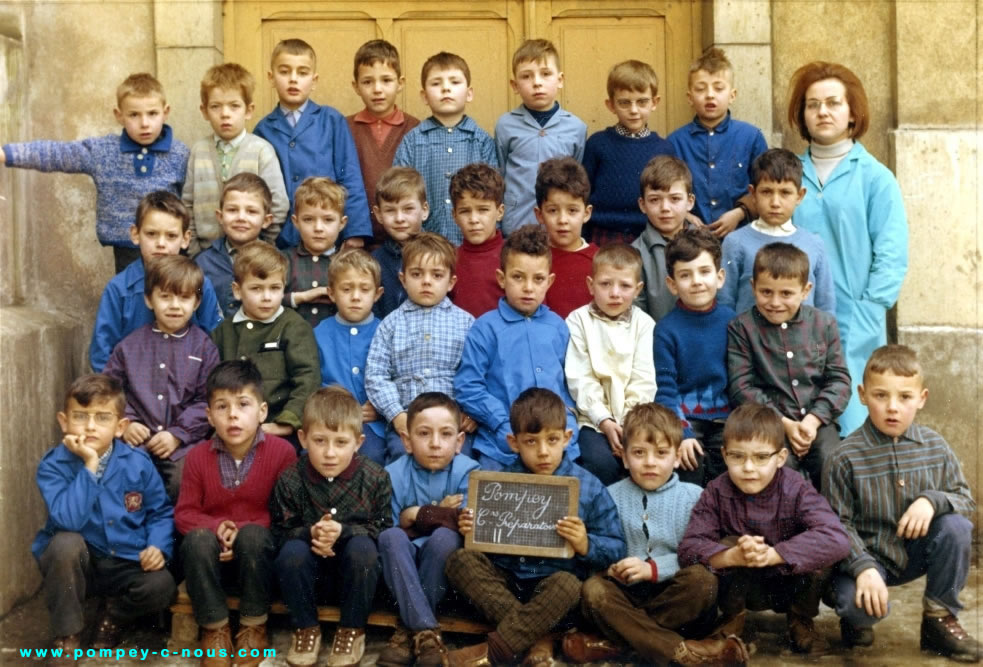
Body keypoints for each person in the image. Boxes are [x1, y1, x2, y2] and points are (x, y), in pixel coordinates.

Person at [444, 388, 626, 667]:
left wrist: (586, 544)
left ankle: (495, 650)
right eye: (531, 441)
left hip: (553, 590)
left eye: (552, 440)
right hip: (505, 584)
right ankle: (538, 639)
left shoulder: (588, 486)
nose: (543, 452)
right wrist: (469, 525)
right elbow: (473, 524)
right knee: (460, 561)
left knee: (568, 585)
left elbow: (617, 546)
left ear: (567, 438)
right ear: (514, 443)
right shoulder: (497, 483)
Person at [823, 345, 979, 661]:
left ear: (921, 398)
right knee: (859, 609)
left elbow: (965, 501)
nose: (893, 407)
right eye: (881, 396)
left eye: (905, 397)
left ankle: (938, 619)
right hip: (861, 564)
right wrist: (862, 567)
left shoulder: (935, 446)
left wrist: (932, 501)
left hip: (912, 555)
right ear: (863, 395)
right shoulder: (844, 457)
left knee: (956, 526)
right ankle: (856, 619)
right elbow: (837, 524)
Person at [786, 61, 908, 435]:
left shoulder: (875, 177)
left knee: (854, 422)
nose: (822, 111)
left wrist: (871, 309)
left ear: (852, 112)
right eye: (812, 104)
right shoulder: (789, 174)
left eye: (833, 103)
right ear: (802, 115)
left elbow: (892, 253)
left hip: (857, 321)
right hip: (794, 317)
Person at [575, 402, 746, 665]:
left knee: (703, 581)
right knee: (594, 590)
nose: (650, 462)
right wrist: (610, 570)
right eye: (639, 453)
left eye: (661, 453)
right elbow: (600, 549)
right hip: (626, 595)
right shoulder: (608, 496)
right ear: (623, 455)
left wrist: (653, 569)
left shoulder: (694, 498)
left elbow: (700, 554)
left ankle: (621, 642)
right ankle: (683, 653)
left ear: (677, 457)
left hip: (675, 597)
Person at [678, 403, 851, 656]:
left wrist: (775, 554)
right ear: (725, 455)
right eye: (738, 456)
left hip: (789, 584)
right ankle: (733, 620)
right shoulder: (716, 491)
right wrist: (731, 556)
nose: (749, 468)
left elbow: (837, 538)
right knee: (728, 543)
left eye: (761, 457)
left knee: (818, 547)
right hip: (742, 587)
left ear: (781, 458)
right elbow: (688, 548)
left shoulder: (795, 488)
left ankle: (801, 621)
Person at [33, 375, 175, 665]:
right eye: (80, 417)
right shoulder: (53, 465)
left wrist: (157, 546)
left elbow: (159, 512)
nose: (90, 426)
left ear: (121, 426)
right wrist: (89, 464)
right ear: (64, 422)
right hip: (82, 565)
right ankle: (68, 632)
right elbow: (69, 519)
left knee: (162, 586)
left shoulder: (137, 463)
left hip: (125, 560)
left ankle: (112, 617)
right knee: (64, 544)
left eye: (102, 417)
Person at [174, 360, 296, 667]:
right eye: (222, 407)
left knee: (255, 536)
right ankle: (214, 629)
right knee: (197, 540)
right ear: (209, 416)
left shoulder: (283, 453)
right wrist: (217, 528)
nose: (233, 415)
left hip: (258, 559)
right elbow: (185, 512)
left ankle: (253, 625)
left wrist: (240, 530)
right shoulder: (198, 457)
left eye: (243, 404)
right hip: (212, 563)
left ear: (262, 412)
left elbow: (284, 514)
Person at [2, 73, 189, 272]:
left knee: (171, 295)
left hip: (170, 246)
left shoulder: (180, 153)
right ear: (119, 115)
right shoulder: (103, 151)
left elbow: (191, 199)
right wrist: (7, 154)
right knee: (131, 296)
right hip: (127, 247)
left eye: (152, 113)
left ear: (165, 112)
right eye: (134, 115)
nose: (144, 123)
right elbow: (57, 154)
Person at [270, 386, 392, 667]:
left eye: (340, 442)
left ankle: (352, 630)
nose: (329, 453)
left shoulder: (375, 478)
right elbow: (278, 530)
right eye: (320, 441)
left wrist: (344, 532)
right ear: (302, 438)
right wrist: (310, 532)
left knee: (364, 547)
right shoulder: (290, 479)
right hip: (307, 580)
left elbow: (383, 527)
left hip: (355, 581)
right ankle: (305, 628)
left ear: (358, 442)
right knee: (291, 551)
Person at [454, 224, 580, 470]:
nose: (528, 288)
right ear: (502, 278)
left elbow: (569, 385)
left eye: (538, 279)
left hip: (555, 449)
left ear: (550, 281)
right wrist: (502, 423)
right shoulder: (486, 328)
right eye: (518, 277)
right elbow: (468, 385)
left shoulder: (559, 327)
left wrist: (568, 423)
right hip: (501, 446)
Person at [727, 242, 850, 490]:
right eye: (766, 292)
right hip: (770, 422)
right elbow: (742, 386)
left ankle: (834, 525)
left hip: (818, 421)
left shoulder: (824, 324)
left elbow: (839, 380)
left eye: (786, 294)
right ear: (753, 287)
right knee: (780, 469)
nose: (775, 302)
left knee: (833, 462)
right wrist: (784, 423)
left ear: (806, 291)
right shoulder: (742, 328)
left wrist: (813, 421)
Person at [103, 255, 220, 501]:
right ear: (149, 299)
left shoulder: (204, 347)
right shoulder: (129, 346)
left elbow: (208, 400)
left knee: (184, 481)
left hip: (183, 446)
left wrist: (177, 434)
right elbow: (109, 391)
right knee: (124, 481)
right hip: (135, 443)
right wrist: (127, 421)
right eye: (165, 296)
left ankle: (176, 538)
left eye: (184, 297)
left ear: (197, 302)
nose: (174, 305)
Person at [377, 392, 480, 667]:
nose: (435, 444)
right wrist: (441, 514)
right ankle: (425, 633)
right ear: (407, 441)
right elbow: (389, 525)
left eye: (446, 434)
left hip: (443, 570)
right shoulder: (393, 473)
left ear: (459, 442)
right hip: (402, 565)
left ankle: (405, 632)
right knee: (391, 537)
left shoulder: (470, 472)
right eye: (424, 434)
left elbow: (463, 523)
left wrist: (415, 514)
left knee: (446, 537)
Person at [365, 233, 475, 462]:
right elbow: (376, 375)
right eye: (417, 274)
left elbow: (475, 374)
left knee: (463, 462)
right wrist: (396, 414)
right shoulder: (391, 324)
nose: (426, 281)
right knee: (399, 458)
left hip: (452, 423)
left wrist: (470, 412)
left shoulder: (466, 323)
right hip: (408, 421)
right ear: (403, 279)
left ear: (451, 282)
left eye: (436, 275)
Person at [253, 38, 370, 248]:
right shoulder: (263, 129)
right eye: (285, 71)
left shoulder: (331, 120)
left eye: (302, 72)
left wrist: (355, 233)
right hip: (281, 238)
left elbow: (350, 177)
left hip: (328, 236)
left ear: (314, 80)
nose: (293, 79)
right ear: (271, 77)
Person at [89, 191, 222, 372]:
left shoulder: (200, 284)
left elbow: (215, 339)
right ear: (135, 234)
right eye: (151, 234)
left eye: (171, 236)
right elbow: (102, 355)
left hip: (189, 390)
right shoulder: (119, 290)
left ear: (185, 239)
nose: (161, 244)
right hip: (133, 391)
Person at [564, 243, 655, 485]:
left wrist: (627, 424)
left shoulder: (644, 324)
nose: (615, 293)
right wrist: (604, 420)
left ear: (638, 289)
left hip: (634, 419)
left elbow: (643, 379)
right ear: (590, 285)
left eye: (624, 286)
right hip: (592, 420)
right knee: (600, 463)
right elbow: (580, 376)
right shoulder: (578, 320)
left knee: (642, 461)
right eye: (605, 284)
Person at [209, 241, 319, 439]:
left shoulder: (293, 326)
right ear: (237, 290)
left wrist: (287, 422)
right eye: (256, 289)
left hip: (276, 428)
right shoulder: (223, 332)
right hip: (230, 427)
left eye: (275, 288)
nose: (267, 297)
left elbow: (307, 379)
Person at [654, 228, 734, 487]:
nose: (697, 281)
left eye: (704, 272)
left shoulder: (733, 323)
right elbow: (666, 391)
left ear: (720, 277)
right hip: (689, 420)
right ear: (672, 284)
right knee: (690, 459)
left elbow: (743, 381)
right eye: (685, 275)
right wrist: (682, 432)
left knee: (733, 458)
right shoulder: (666, 330)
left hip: (727, 419)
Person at [393, 52, 498, 244]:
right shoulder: (412, 142)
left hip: (472, 244)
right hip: (424, 247)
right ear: (424, 96)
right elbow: (399, 193)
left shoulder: (482, 142)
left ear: (469, 93)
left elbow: (495, 195)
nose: (446, 89)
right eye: (436, 83)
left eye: (454, 82)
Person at [183, 63, 287, 256]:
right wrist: (195, 252)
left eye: (234, 106)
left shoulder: (261, 151)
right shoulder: (198, 151)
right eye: (215, 106)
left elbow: (279, 204)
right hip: (207, 254)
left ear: (248, 110)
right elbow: (187, 205)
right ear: (204, 111)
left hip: (253, 253)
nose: (225, 114)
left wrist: (263, 246)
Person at [719, 148, 835, 315]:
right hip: (749, 340)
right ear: (753, 193)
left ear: (800, 196)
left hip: (803, 340)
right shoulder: (735, 242)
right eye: (766, 192)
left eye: (785, 193)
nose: (775, 202)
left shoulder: (813, 244)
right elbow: (725, 302)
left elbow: (825, 306)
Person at [668, 47, 767, 238]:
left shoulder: (751, 137)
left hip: (741, 234)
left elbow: (766, 186)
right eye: (700, 89)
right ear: (689, 97)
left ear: (732, 95)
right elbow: (664, 188)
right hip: (690, 239)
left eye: (719, 88)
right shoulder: (675, 142)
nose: (710, 95)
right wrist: (684, 214)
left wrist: (740, 212)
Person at [495, 39, 586, 236]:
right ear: (515, 85)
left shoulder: (576, 128)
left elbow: (577, 177)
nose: (537, 82)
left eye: (545, 74)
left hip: (558, 229)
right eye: (526, 76)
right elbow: (500, 174)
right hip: (517, 224)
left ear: (560, 80)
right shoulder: (505, 125)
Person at [582, 60, 676, 245]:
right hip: (604, 234)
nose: (633, 110)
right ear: (611, 105)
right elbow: (583, 194)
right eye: (624, 103)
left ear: (655, 102)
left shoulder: (664, 148)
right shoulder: (598, 144)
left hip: (650, 234)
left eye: (642, 102)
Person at [312, 249, 386, 465]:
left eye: (364, 289)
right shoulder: (319, 333)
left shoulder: (386, 331)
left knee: (372, 456)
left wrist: (380, 407)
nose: (355, 297)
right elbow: (314, 383)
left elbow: (396, 376)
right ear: (332, 293)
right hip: (330, 422)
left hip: (373, 425)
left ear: (377, 294)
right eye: (346, 289)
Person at [346, 39, 420, 249]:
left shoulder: (415, 129)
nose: (377, 89)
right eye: (368, 82)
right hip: (358, 239)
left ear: (401, 83)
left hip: (406, 239)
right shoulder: (343, 128)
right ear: (356, 86)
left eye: (386, 80)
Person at [194, 173, 275, 318]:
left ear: (266, 220)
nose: (241, 218)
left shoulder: (277, 262)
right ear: (220, 216)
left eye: (251, 211)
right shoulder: (202, 264)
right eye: (232, 210)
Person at [631, 155, 698, 323]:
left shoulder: (708, 246)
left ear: (690, 202)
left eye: (675, 199)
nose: (665, 208)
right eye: (655, 200)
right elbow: (637, 316)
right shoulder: (635, 254)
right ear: (642, 204)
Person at [535, 157, 598, 319]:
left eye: (572, 211)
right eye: (553, 210)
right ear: (539, 214)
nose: (563, 220)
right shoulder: (532, 258)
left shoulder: (600, 261)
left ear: (587, 213)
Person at [284, 177, 349, 327]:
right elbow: (268, 300)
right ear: (296, 222)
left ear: (342, 223)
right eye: (308, 219)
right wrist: (299, 298)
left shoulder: (349, 264)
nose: (318, 228)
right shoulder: (283, 260)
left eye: (328, 220)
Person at [448, 162, 506, 318]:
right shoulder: (450, 259)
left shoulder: (514, 256)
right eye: (465, 211)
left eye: (483, 210)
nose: (474, 219)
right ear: (454, 216)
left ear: (499, 212)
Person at [371, 167, 429, 318]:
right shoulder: (375, 262)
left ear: (424, 210)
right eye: (390, 210)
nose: (399, 218)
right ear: (379, 214)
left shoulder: (439, 255)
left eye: (408, 209)